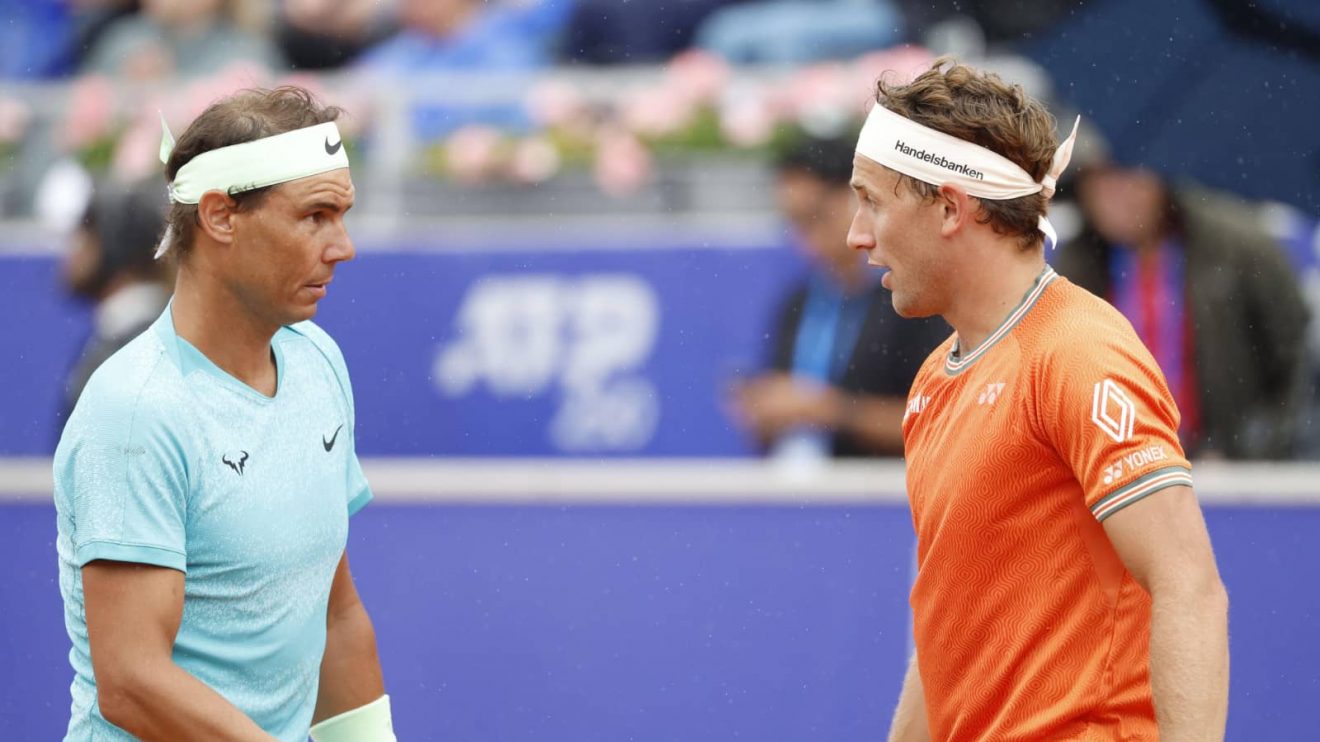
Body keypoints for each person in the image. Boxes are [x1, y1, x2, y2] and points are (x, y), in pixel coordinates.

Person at [845, 60, 1228, 739]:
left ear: (950, 207)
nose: (857, 234)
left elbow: (1188, 588)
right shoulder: (935, 380)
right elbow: (950, 635)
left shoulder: (1080, 352)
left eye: (872, 200)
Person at [53, 86, 395, 742]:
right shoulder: (135, 412)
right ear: (220, 216)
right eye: (315, 216)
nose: (342, 246)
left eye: (342, 215)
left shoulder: (319, 361)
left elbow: (333, 613)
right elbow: (132, 681)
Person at [1053, 158, 1310, 460]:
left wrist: (1247, 452)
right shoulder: (1075, 268)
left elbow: (1297, 364)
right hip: (1119, 467)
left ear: (1162, 177)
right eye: (1100, 180)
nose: (1116, 195)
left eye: (1129, 174)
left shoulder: (1240, 249)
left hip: (1231, 476)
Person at [731, 127, 947, 458]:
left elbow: (941, 425)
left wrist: (830, 411)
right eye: (794, 222)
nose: (804, 241)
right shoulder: (798, 301)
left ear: (860, 199)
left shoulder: (912, 300)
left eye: (813, 217)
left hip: (884, 498)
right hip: (806, 496)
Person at [60, 176, 174, 425]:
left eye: (86, 233)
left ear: (117, 245)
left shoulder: (130, 348)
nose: (73, 248)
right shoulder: (134, 333)